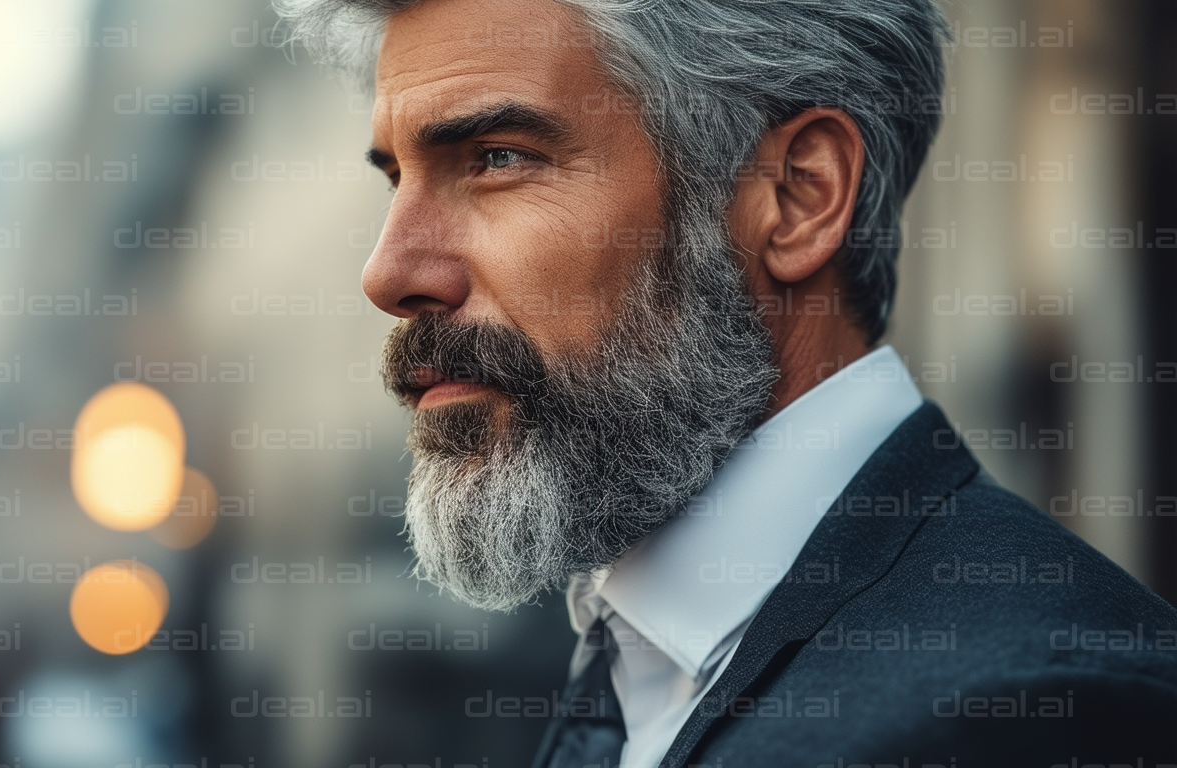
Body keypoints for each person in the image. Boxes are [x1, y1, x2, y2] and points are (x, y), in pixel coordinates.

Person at [273, 0, 1177, 765]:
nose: (388, 273)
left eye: (498, 157)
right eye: (398, 177)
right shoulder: (633, 650)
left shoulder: (1042, 707)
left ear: (798, 194)